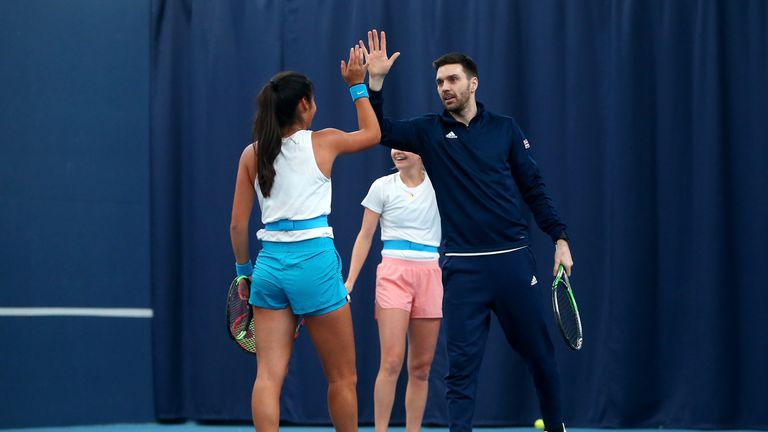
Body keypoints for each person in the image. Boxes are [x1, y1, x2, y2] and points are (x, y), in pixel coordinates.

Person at [357, 30, 575, 432]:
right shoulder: (428, 131)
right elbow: (380, 131)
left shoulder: (506, 129)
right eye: (440, 82)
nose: (445, 88)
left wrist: (559, 239)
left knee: (542, 357)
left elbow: (534, 189)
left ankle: (557, 427)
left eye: (452, 79)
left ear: (473, 83)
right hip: (462, 270)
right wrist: (374, 84)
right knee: (460, 373)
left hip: (513, 262)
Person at [229, 46, 379, 432]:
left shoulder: (252, 154)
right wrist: (357, 87)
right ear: (303, 105)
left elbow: (236, 227)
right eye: (313, 101)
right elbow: (373, 133)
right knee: (343, 378)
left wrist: (244, 274)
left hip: (269, 270)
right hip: (314, 265)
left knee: (267, 378)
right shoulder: (323, 141)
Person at [345, 149, 443, 432]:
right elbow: (364, 237)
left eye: (405, 146)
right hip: (393, 274)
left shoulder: (440, 184)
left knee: (422, 368)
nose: (397, 151)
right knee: (391, 361)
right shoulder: (381, 187)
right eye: (394, 146)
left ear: (422, 150)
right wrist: (349, 280)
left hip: (430, 274)